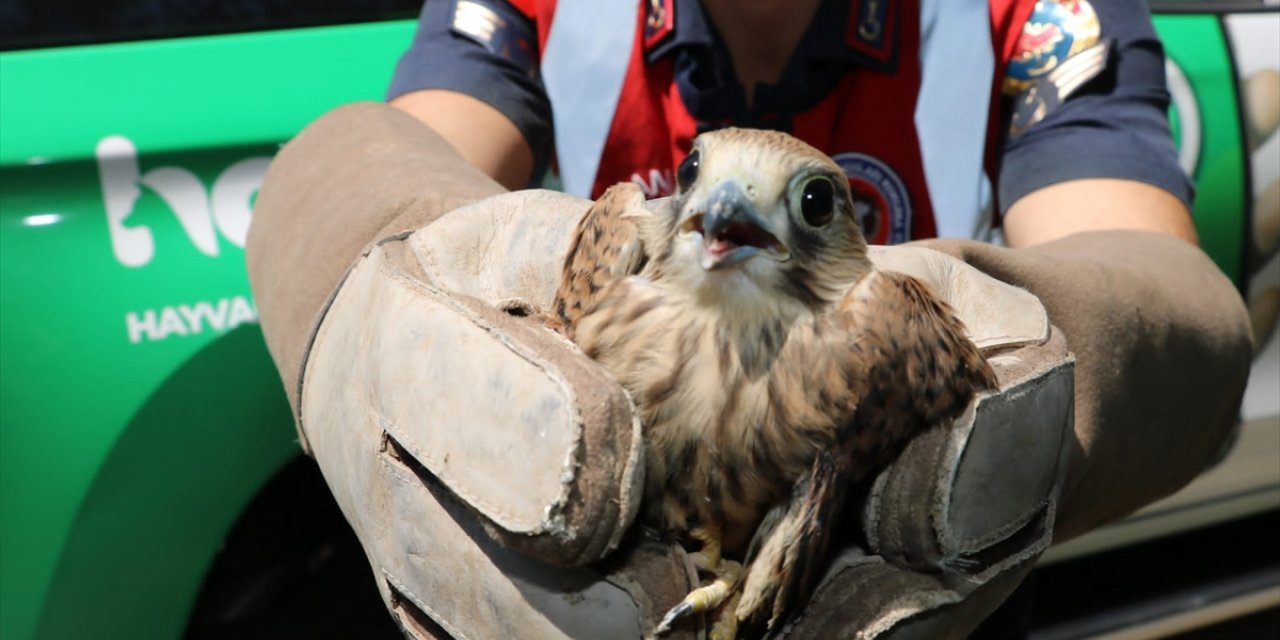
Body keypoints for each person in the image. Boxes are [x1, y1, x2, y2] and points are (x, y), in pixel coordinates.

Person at [245, 0, 1253, 637]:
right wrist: (370, 309)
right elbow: (392, 180)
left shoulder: (1029, 13)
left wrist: (968, 373)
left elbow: (1159, 300)